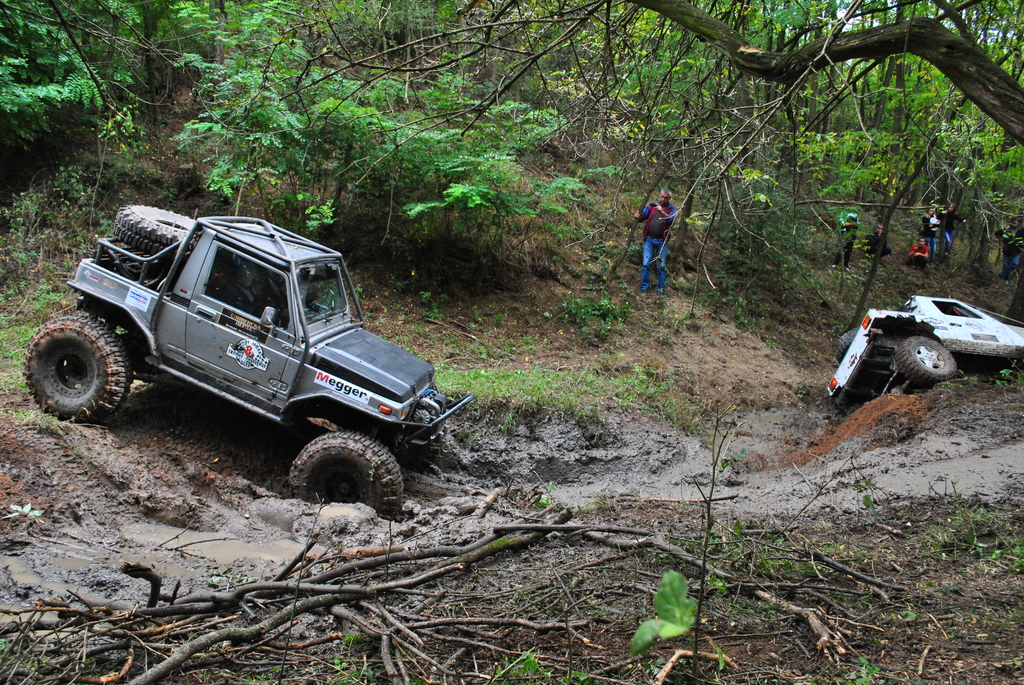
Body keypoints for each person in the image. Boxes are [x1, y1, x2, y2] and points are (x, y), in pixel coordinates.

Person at [634, 189, 675, 295]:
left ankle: (660, 289)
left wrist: (661, 211)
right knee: (646, 264)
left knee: (661, 266)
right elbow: (644, 215)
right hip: (649, 239)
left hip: (662, 241)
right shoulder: (652, 205)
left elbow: (671, 219)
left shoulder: (671, 209)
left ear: (669, 198)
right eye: (662, 197)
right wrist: (638, 217)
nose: (663, 199)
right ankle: (644, 288)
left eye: (666, 197)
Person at [997, 217, 1024, 284]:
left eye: (1015, 222)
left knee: (1015, 264)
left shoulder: (1022, 229)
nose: (1014, 223)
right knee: (1006, 265)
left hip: (1017, 251)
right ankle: (1006, 280)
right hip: (1007, 250)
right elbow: (997, 233)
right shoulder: (1007, 229)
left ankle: (1002, 274)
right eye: (1012, 222)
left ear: (1018, 222)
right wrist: (1002, 239)